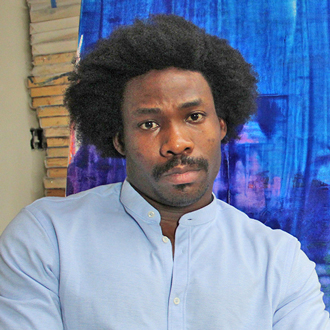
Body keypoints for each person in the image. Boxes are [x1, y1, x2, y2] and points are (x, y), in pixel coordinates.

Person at [0, 14, 329, 330]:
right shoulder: (47, 236)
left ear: (222, 125)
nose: (177, 143)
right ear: (119, 141)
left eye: (195, 116)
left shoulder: (279, 260)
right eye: (149, 123)